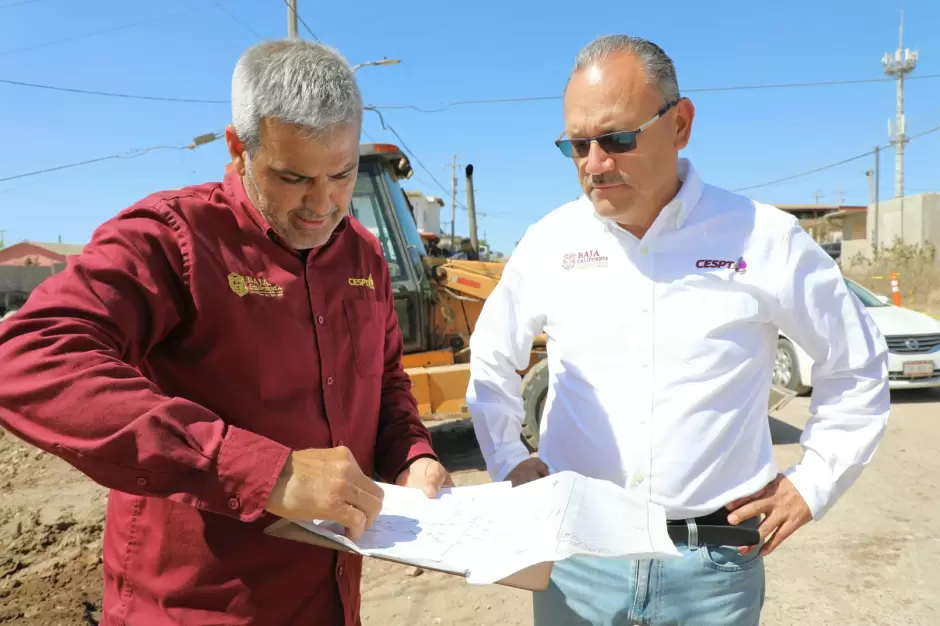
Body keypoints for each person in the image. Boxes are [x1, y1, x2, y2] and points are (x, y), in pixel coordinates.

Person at [0, 39, 452, 626]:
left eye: (340, 174)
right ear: (239, 147)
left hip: (331, 604)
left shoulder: (363, 257)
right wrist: (264, 471)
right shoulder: (173, 239)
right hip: (197, 608)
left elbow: (387, 381)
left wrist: (411, 455)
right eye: (293, 178)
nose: (323, 205)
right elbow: (28, 359)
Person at [465, 34, 889, 625]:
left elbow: (857, 366)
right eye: (577, 145)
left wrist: (813, 482)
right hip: (576, 564)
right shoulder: (550, 243)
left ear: (680, 124)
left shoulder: (762, 239)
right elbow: (489, 356)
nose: (595, 164)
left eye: (617, 138)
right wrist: (508, 458)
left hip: (713, 572)